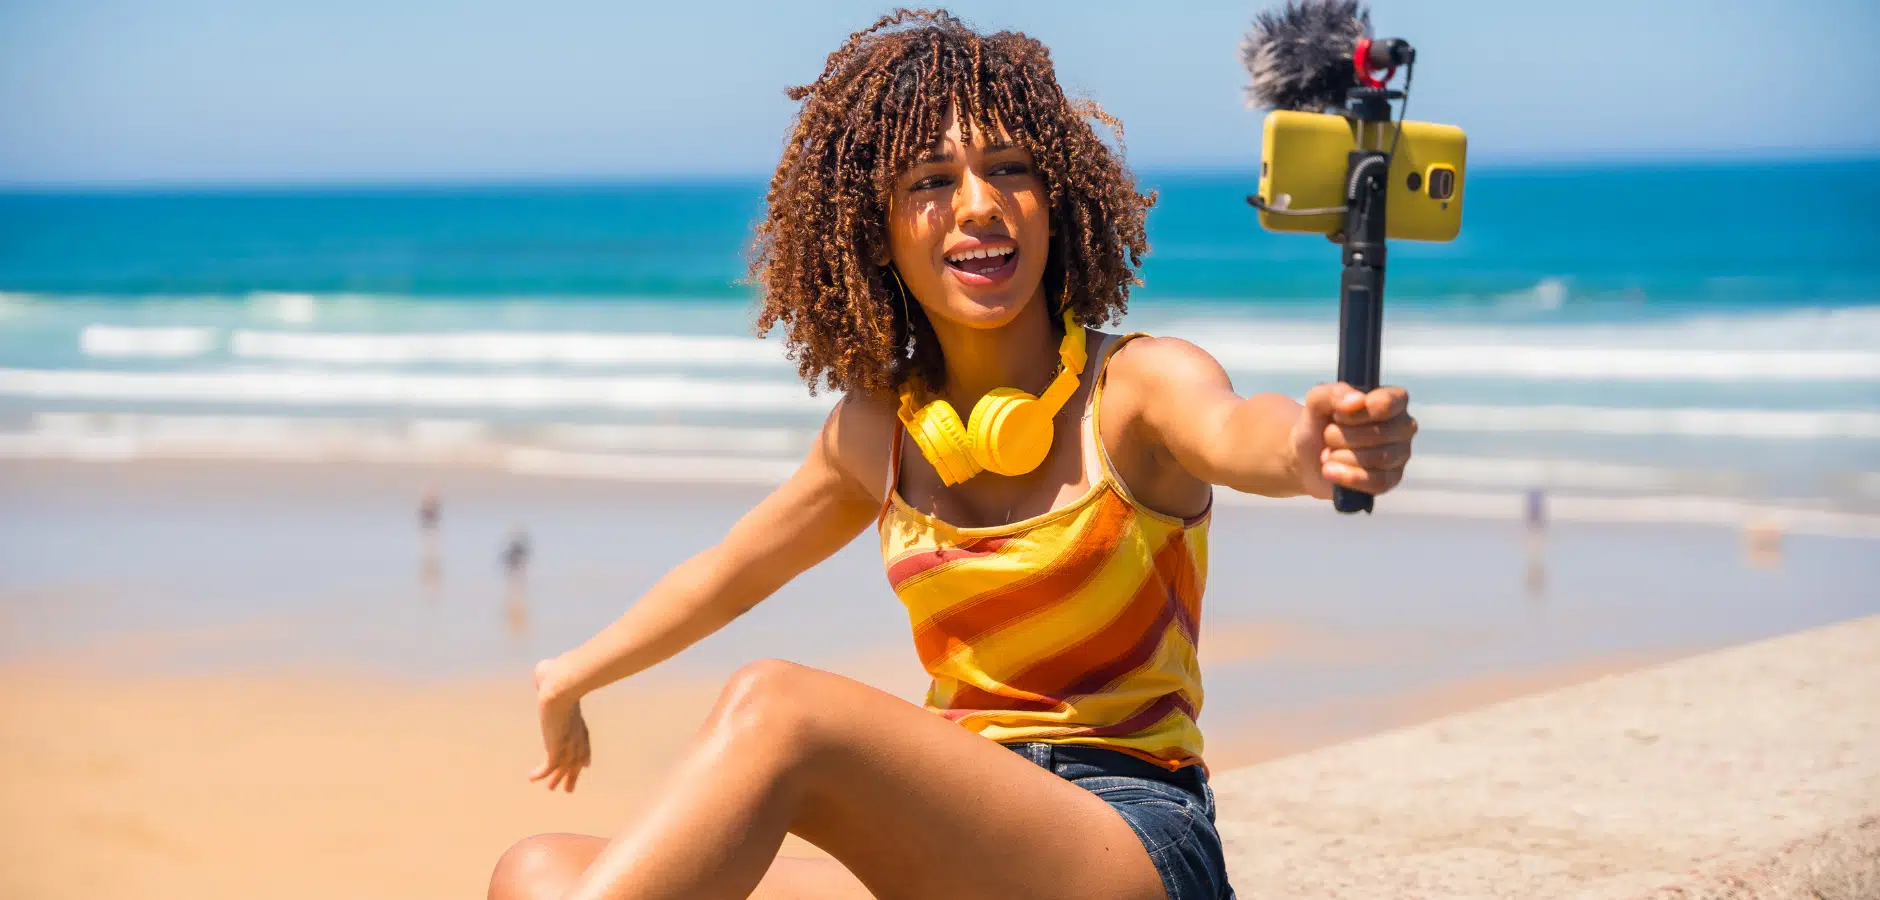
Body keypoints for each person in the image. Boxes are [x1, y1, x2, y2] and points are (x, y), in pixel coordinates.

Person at [487, 11, 1416, 900]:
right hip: (952, 842)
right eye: (930, 180)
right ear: (877, 229)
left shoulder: (1138, 388)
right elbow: (728, 574)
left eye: (1010, 168)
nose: (978, 205)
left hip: (1127, 838)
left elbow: (1243, 433)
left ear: (1056, 199)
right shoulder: (878, 430)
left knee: (780, 709)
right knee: (536, 871)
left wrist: (1313, 442)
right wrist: (574, 673)